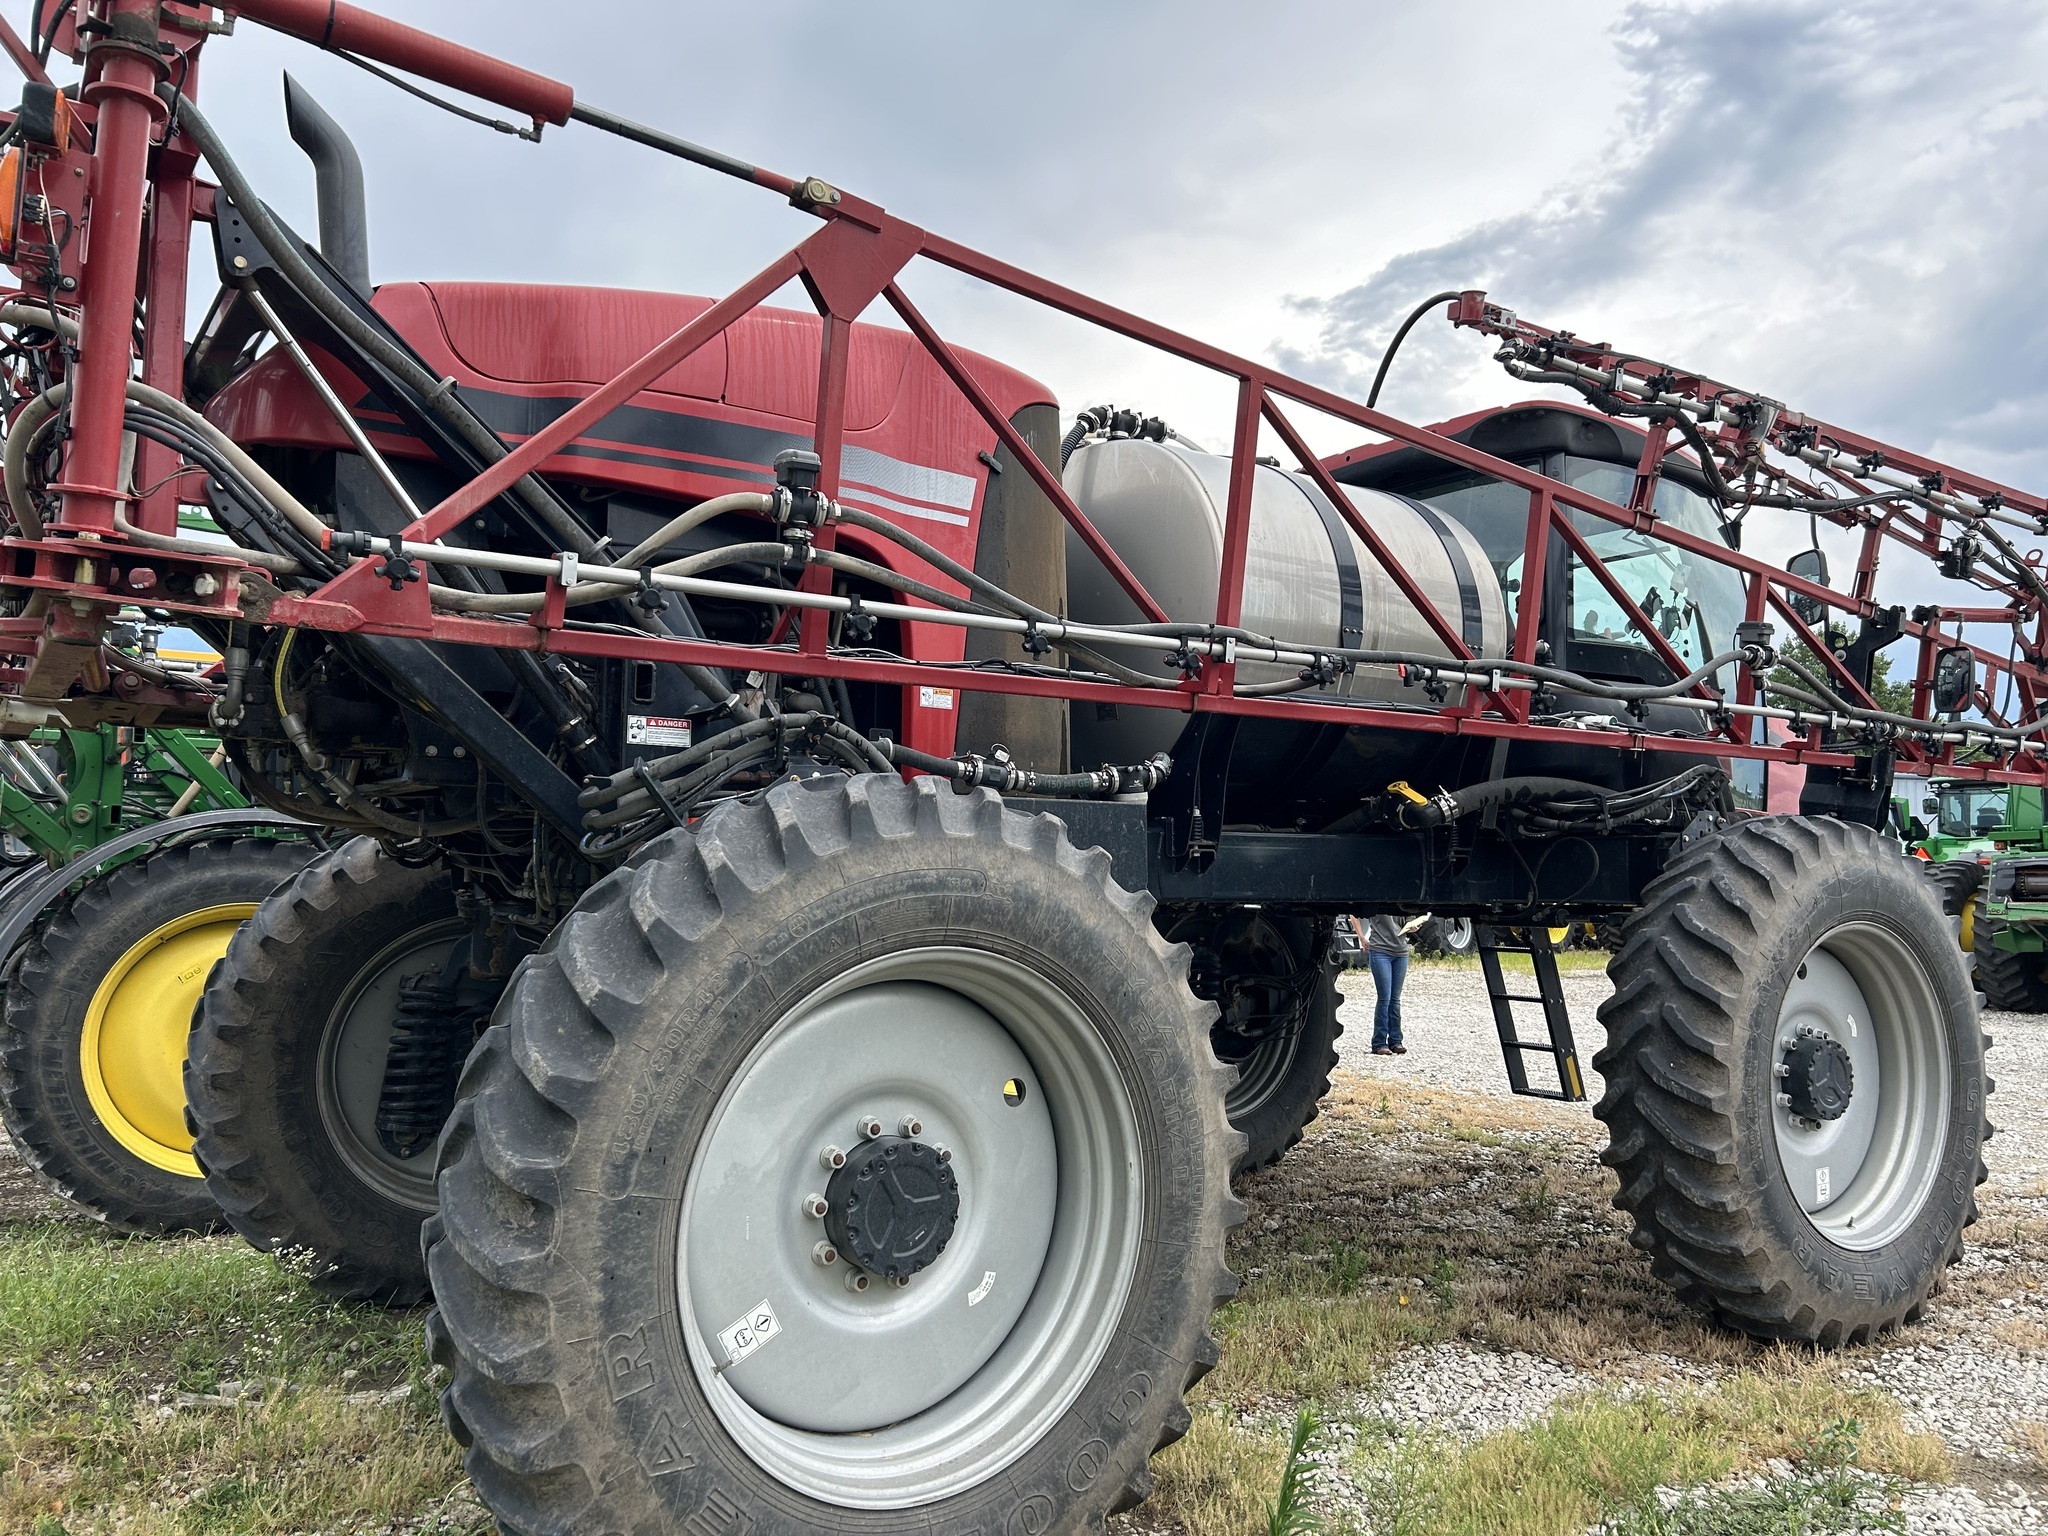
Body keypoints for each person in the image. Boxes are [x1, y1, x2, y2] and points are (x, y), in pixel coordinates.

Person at [1365, 914, 1410, 1055]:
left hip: (1401, 951)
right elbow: (1355, 913)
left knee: (1395, 999)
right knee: (1384, 998)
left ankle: (1396, 1040)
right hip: (1380, 950)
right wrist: (1361, 937)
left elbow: (1409, 918)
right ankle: (1379, 1042)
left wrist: (1412, 924)